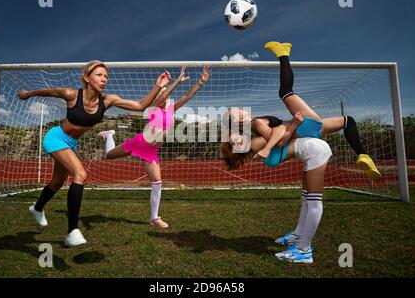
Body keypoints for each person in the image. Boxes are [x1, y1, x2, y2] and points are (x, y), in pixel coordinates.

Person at [18, 60, 172, 246]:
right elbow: (47, 91)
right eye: (99, 75)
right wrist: (27, 94)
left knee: (57, 182)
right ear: (86, 78)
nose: (104, 79)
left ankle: (37, 207)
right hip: (55, 138)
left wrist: (158, 86)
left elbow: (141, 106)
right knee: (81, 174)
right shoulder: (71, 94)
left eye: (106, 76)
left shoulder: (107, 101)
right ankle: (72, 231)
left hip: (71, 143)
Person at [222, 41, 382, 179]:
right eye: (236, 111)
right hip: (304, 125)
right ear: (237, 120)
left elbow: (279, 140)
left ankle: (363, 156)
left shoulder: (255, 129)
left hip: (308, 131)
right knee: (285, 92)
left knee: (348, 121)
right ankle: (283, 53)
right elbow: (280, 139)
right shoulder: (256, 123)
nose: (241, 109)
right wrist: (281, 135)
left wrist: (272, 142)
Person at [97, 66, 211, 228]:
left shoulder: (171, 109)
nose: (165, 94)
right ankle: (109, 135)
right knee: (108, 155)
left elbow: (187, 96)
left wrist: (200, 82)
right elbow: (164, 94)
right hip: (140, 143)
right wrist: (177, 81)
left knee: (157, 182)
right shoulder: (154, 107)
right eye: (163, 92)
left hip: (152, 150)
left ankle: (154, 218)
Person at [220, 133, 332, 264]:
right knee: (309, 199)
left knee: (312, 199)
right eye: (233, 141)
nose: (236, 136)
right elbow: (282, 137)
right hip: (312, 151)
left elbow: (282, 136)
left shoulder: (254, 144)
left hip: (314, 150)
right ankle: (300, 243)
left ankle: (302, 246)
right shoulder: (254, 145)